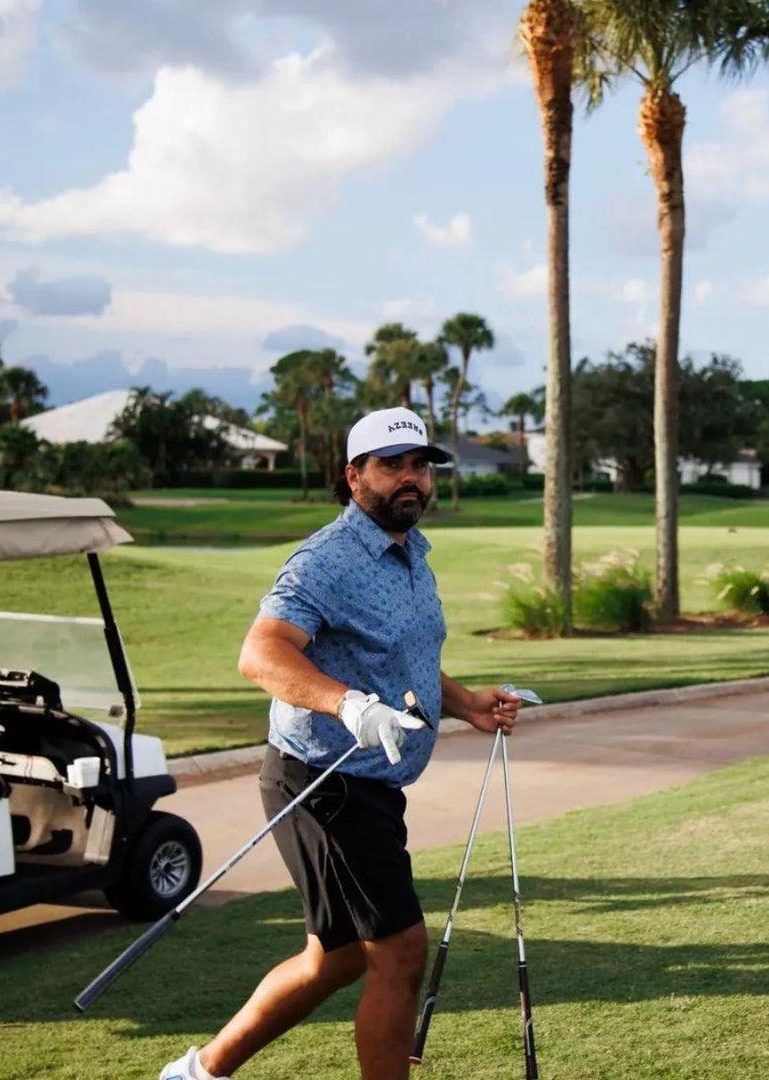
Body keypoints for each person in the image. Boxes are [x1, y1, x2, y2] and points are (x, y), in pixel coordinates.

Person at [160, 406, 523, 1080]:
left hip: (369, 786)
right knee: (401, 950)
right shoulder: (327, 559)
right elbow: (260, 652)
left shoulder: (411, 552)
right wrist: (347, 704)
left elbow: (402, 659)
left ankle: (198, 1073)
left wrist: (465, 701)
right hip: (323, 780)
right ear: (353, 475)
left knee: (340, 956)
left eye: (420, 465)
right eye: (392, 465)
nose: (410, 478)